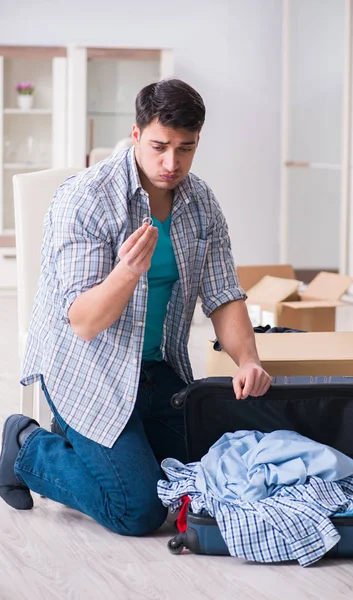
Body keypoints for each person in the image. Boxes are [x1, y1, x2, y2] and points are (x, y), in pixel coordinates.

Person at [0, 79, 271, 535]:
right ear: (135, 134)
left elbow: (224, 294)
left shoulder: (201, 202)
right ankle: (26, 444)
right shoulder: (86, 198)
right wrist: (127, 272)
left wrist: (248, 360)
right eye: (160, 146)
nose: (171, 163)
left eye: (185, 149)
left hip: (156, 368)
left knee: (200, 481)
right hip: (86, 370)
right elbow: (84, 323)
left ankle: (83, 443)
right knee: (139, 509)